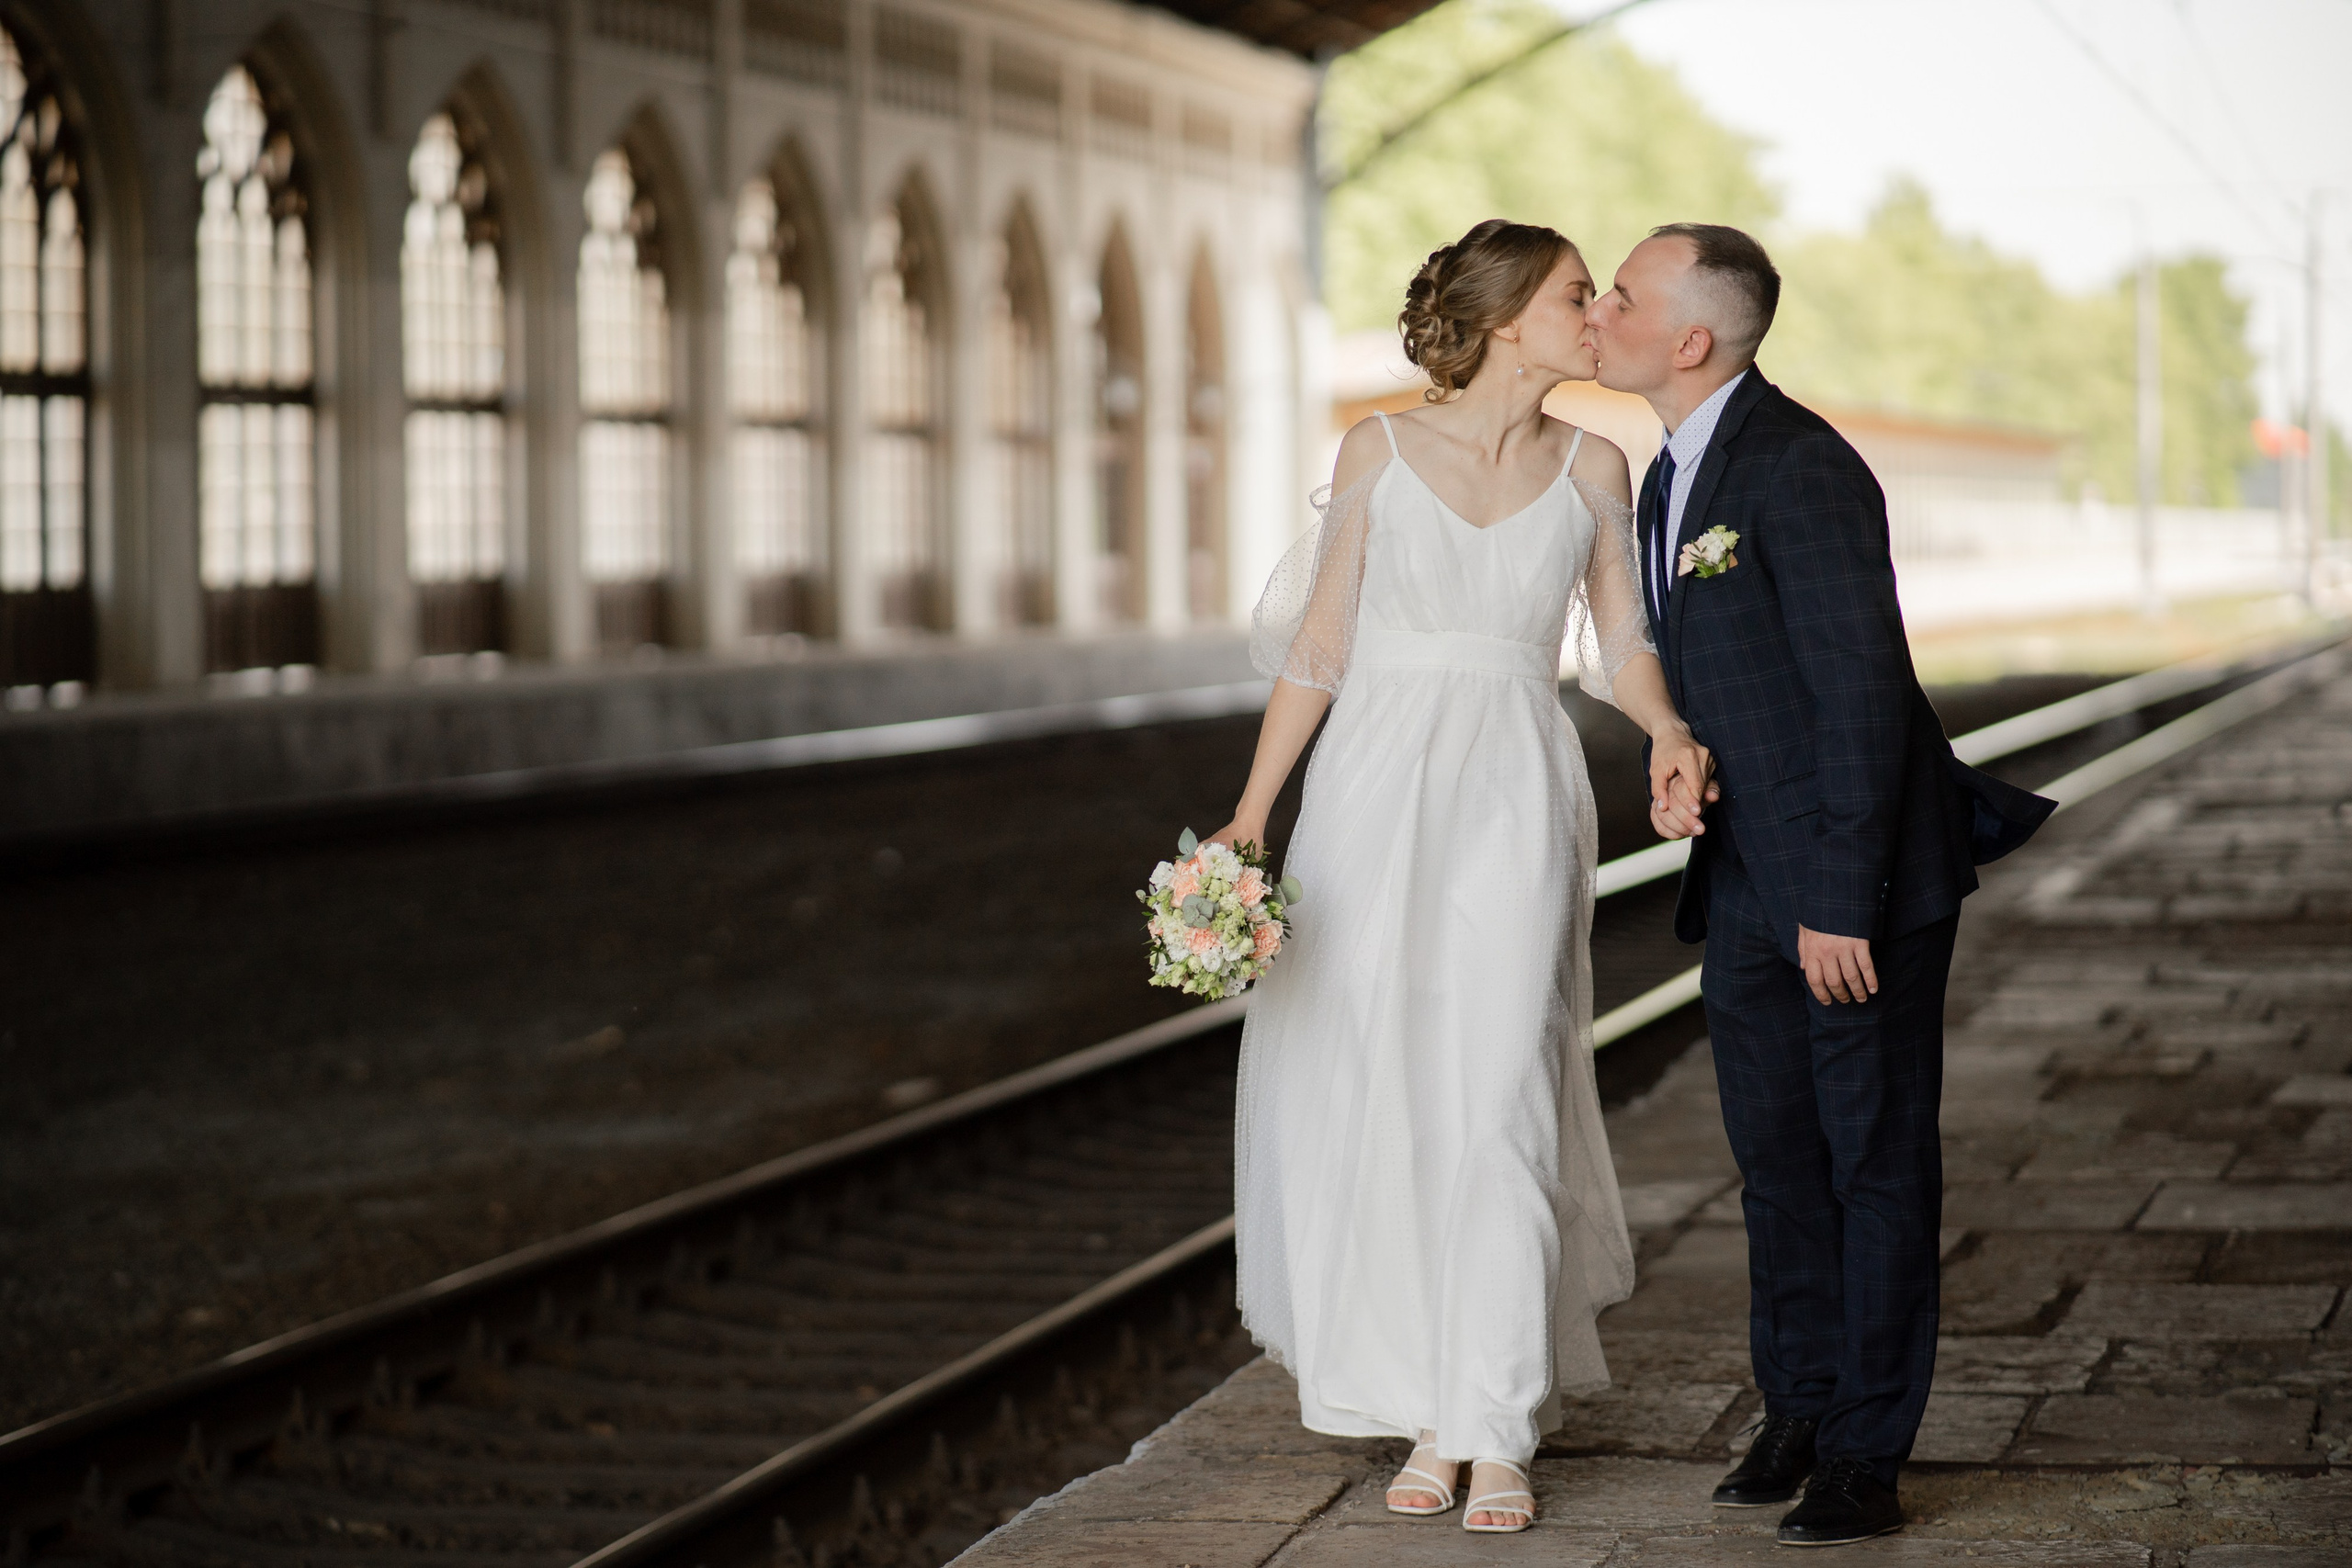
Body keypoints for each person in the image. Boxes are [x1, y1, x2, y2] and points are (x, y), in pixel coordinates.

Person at [1210, 219, 1714, 1535]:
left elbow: (1622, 645)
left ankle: (1494, 1423)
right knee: (1387, 1088)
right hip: (1371, 796)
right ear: (1504, 321)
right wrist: (1252, 817)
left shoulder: (1599, 466)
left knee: (1499, 1092)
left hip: (1514, 790)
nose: (1593, 311)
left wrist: (1664, 729)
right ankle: (1427, 1404)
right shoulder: (1375, 450)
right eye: (1570, 295)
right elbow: (1320, 649)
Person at [1585, 223, 2054, 1547]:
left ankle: (1866, 1451)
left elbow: (1862, 697)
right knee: (1777, 1164)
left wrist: (1841, 898)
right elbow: (1726, 677)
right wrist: (1675, 761)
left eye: (1623, 295)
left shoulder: (1799, 468)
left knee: (1873, 1165)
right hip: (1742, 878)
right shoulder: (1671, 472)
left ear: (1691, 340)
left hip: (1854, 889)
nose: (1601, 311)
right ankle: (1798, 1403)